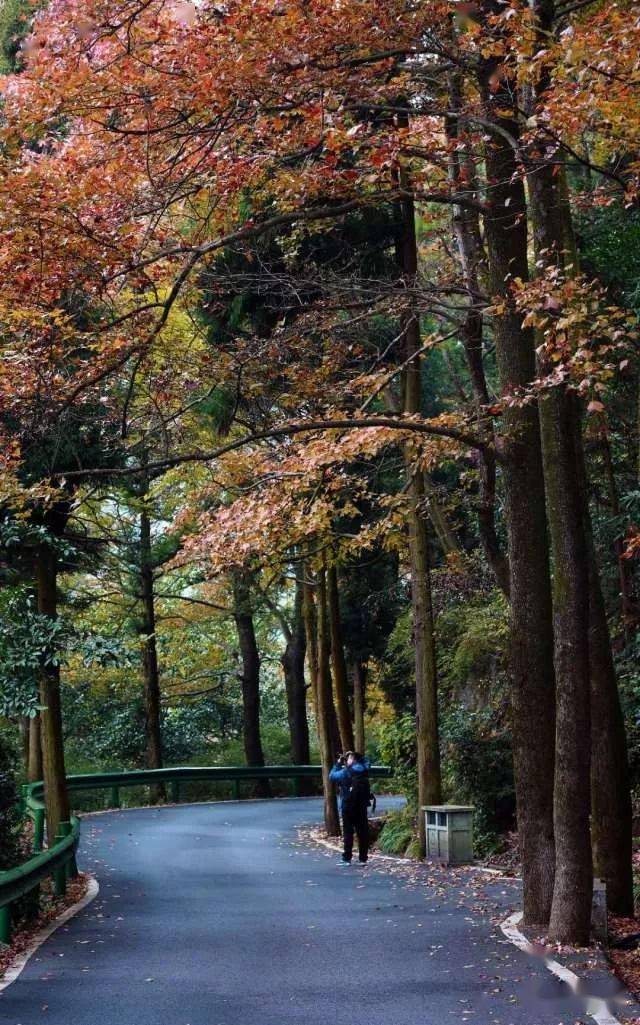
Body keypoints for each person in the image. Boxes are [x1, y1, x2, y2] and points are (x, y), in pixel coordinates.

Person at [329, 751, 370, 866]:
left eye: (348, 758)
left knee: (348, 832)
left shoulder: (346, 772)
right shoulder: (365, 769)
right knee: (362, 832)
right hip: (361, 806)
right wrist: (356, 755)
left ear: (352, 760)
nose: (346, 761)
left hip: (348, 806)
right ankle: (363, 859)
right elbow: (367, 760)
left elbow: (331, 776)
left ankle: (346, 858)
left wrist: (338, 764)